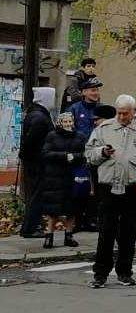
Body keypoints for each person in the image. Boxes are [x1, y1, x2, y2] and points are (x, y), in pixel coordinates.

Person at [86, 94, 136, 289]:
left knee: (129, 233)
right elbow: (89, 154)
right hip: (108, 187)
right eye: (118, 113)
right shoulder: (104, 128)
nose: (121, 117)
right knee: (106, 232)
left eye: (125, 113)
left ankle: (125, 272)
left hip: (133, 188)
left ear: (134, 112)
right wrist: (102, 152)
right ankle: (100, 273)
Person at [36, 111, 87, 248]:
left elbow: (85, 153)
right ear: (60, 123)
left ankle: (69, 236)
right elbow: (46, 153)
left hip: (73, 177)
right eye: (65, 122)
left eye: (70, 121)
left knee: (72, 210)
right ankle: (49, 237)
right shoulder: (52, 136)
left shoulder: (80, 136)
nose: (68, 124)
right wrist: (64, 156)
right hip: (55, 178)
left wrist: (74, 157)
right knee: (53, 211)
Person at [18, 86, 55, 239]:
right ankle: (30, 227)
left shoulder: (35, 114)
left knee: (36, 194)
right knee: (37, 195)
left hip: (34, 161)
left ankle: (32, 226)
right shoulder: (40, 118)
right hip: (38, 162)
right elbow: (31, 142)